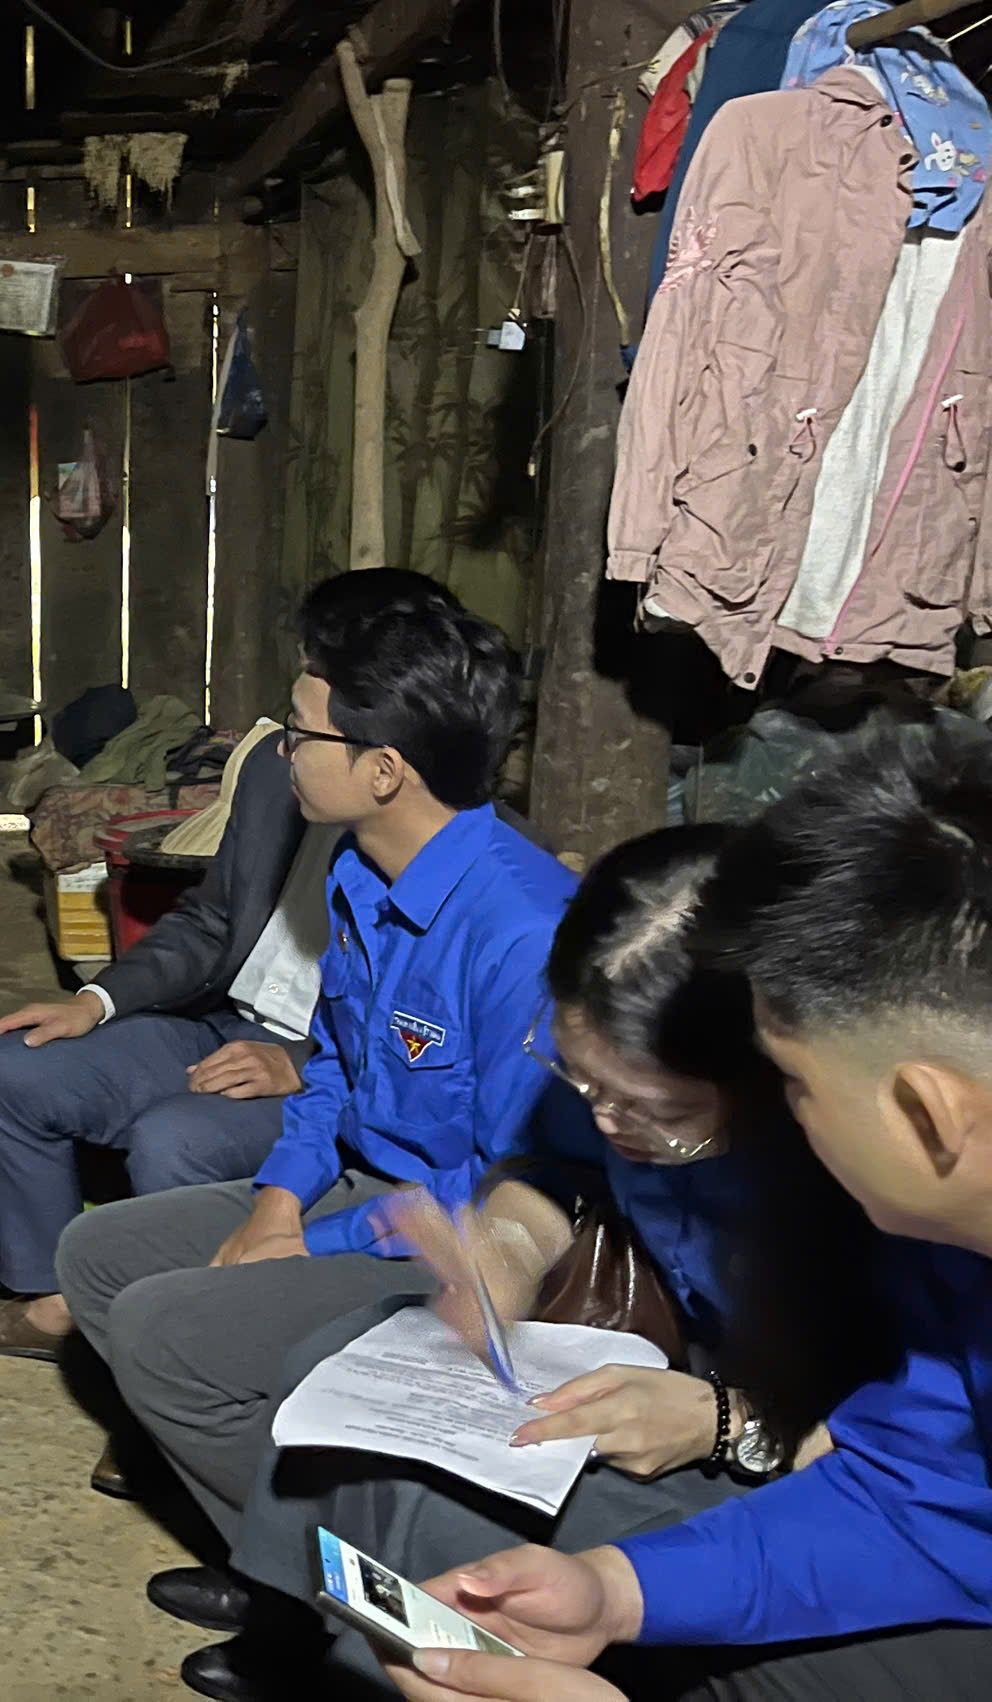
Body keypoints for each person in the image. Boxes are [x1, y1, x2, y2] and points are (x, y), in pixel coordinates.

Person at [182, 827, 891, 1702]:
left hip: (799, 1440)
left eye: (655, 1111)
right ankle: (299, 1617)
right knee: (333, 1365)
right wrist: (506, 1255)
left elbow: (919, 1451)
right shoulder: (614, 1079)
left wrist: (728, 1421)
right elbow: (556, 1169)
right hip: (651, 1356)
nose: (608, 1121)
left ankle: (382, 1668)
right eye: (581, 1081)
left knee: (446, 1514)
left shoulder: (872, 1183)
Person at [382, 726, 992, 1702]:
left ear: (928, 1113)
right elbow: (917, 1502)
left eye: (793, 1082)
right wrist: (615, 1595)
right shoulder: (951, 1256)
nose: (786, 1122)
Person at [51, 586, 573, 1515]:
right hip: (363, 1185)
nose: (282, 750)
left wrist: (311, 1240)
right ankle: (265, 1515)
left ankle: (314, 1565)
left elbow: (516, 1183)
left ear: (384, 771)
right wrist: (280, 1200)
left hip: (457, 1242)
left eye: (300, 732)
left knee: (161, 1328)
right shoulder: (360, 869)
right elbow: (334, 1063)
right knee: (94, 1255)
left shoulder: (524, 932)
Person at [0, 569, 468, 1363]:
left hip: (321, 1072)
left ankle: (171, 1351)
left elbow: (429, 1047)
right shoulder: (278, 769)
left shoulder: (448, 843)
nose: (294, 728)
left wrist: (299, 1064)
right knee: (12, 1067)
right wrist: (95, 1002)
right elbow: (213, 920)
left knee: (175, 1139)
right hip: (222, 1023)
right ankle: (52, 1300)